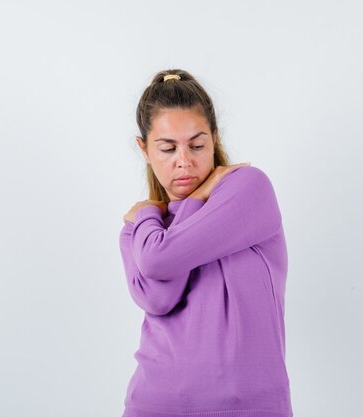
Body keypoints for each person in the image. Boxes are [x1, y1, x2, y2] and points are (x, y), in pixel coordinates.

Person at [119, 69, 293, 417]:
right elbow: (160, 296)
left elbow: (158, 261)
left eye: (197, 145)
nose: (184, 161)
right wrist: (186, 203)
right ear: (144, 148)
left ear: (215, 138)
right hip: (156, 405)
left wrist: (184, 202)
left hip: (251, 408)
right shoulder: (141, 226)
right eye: (167, 148)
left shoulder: (249, 189)